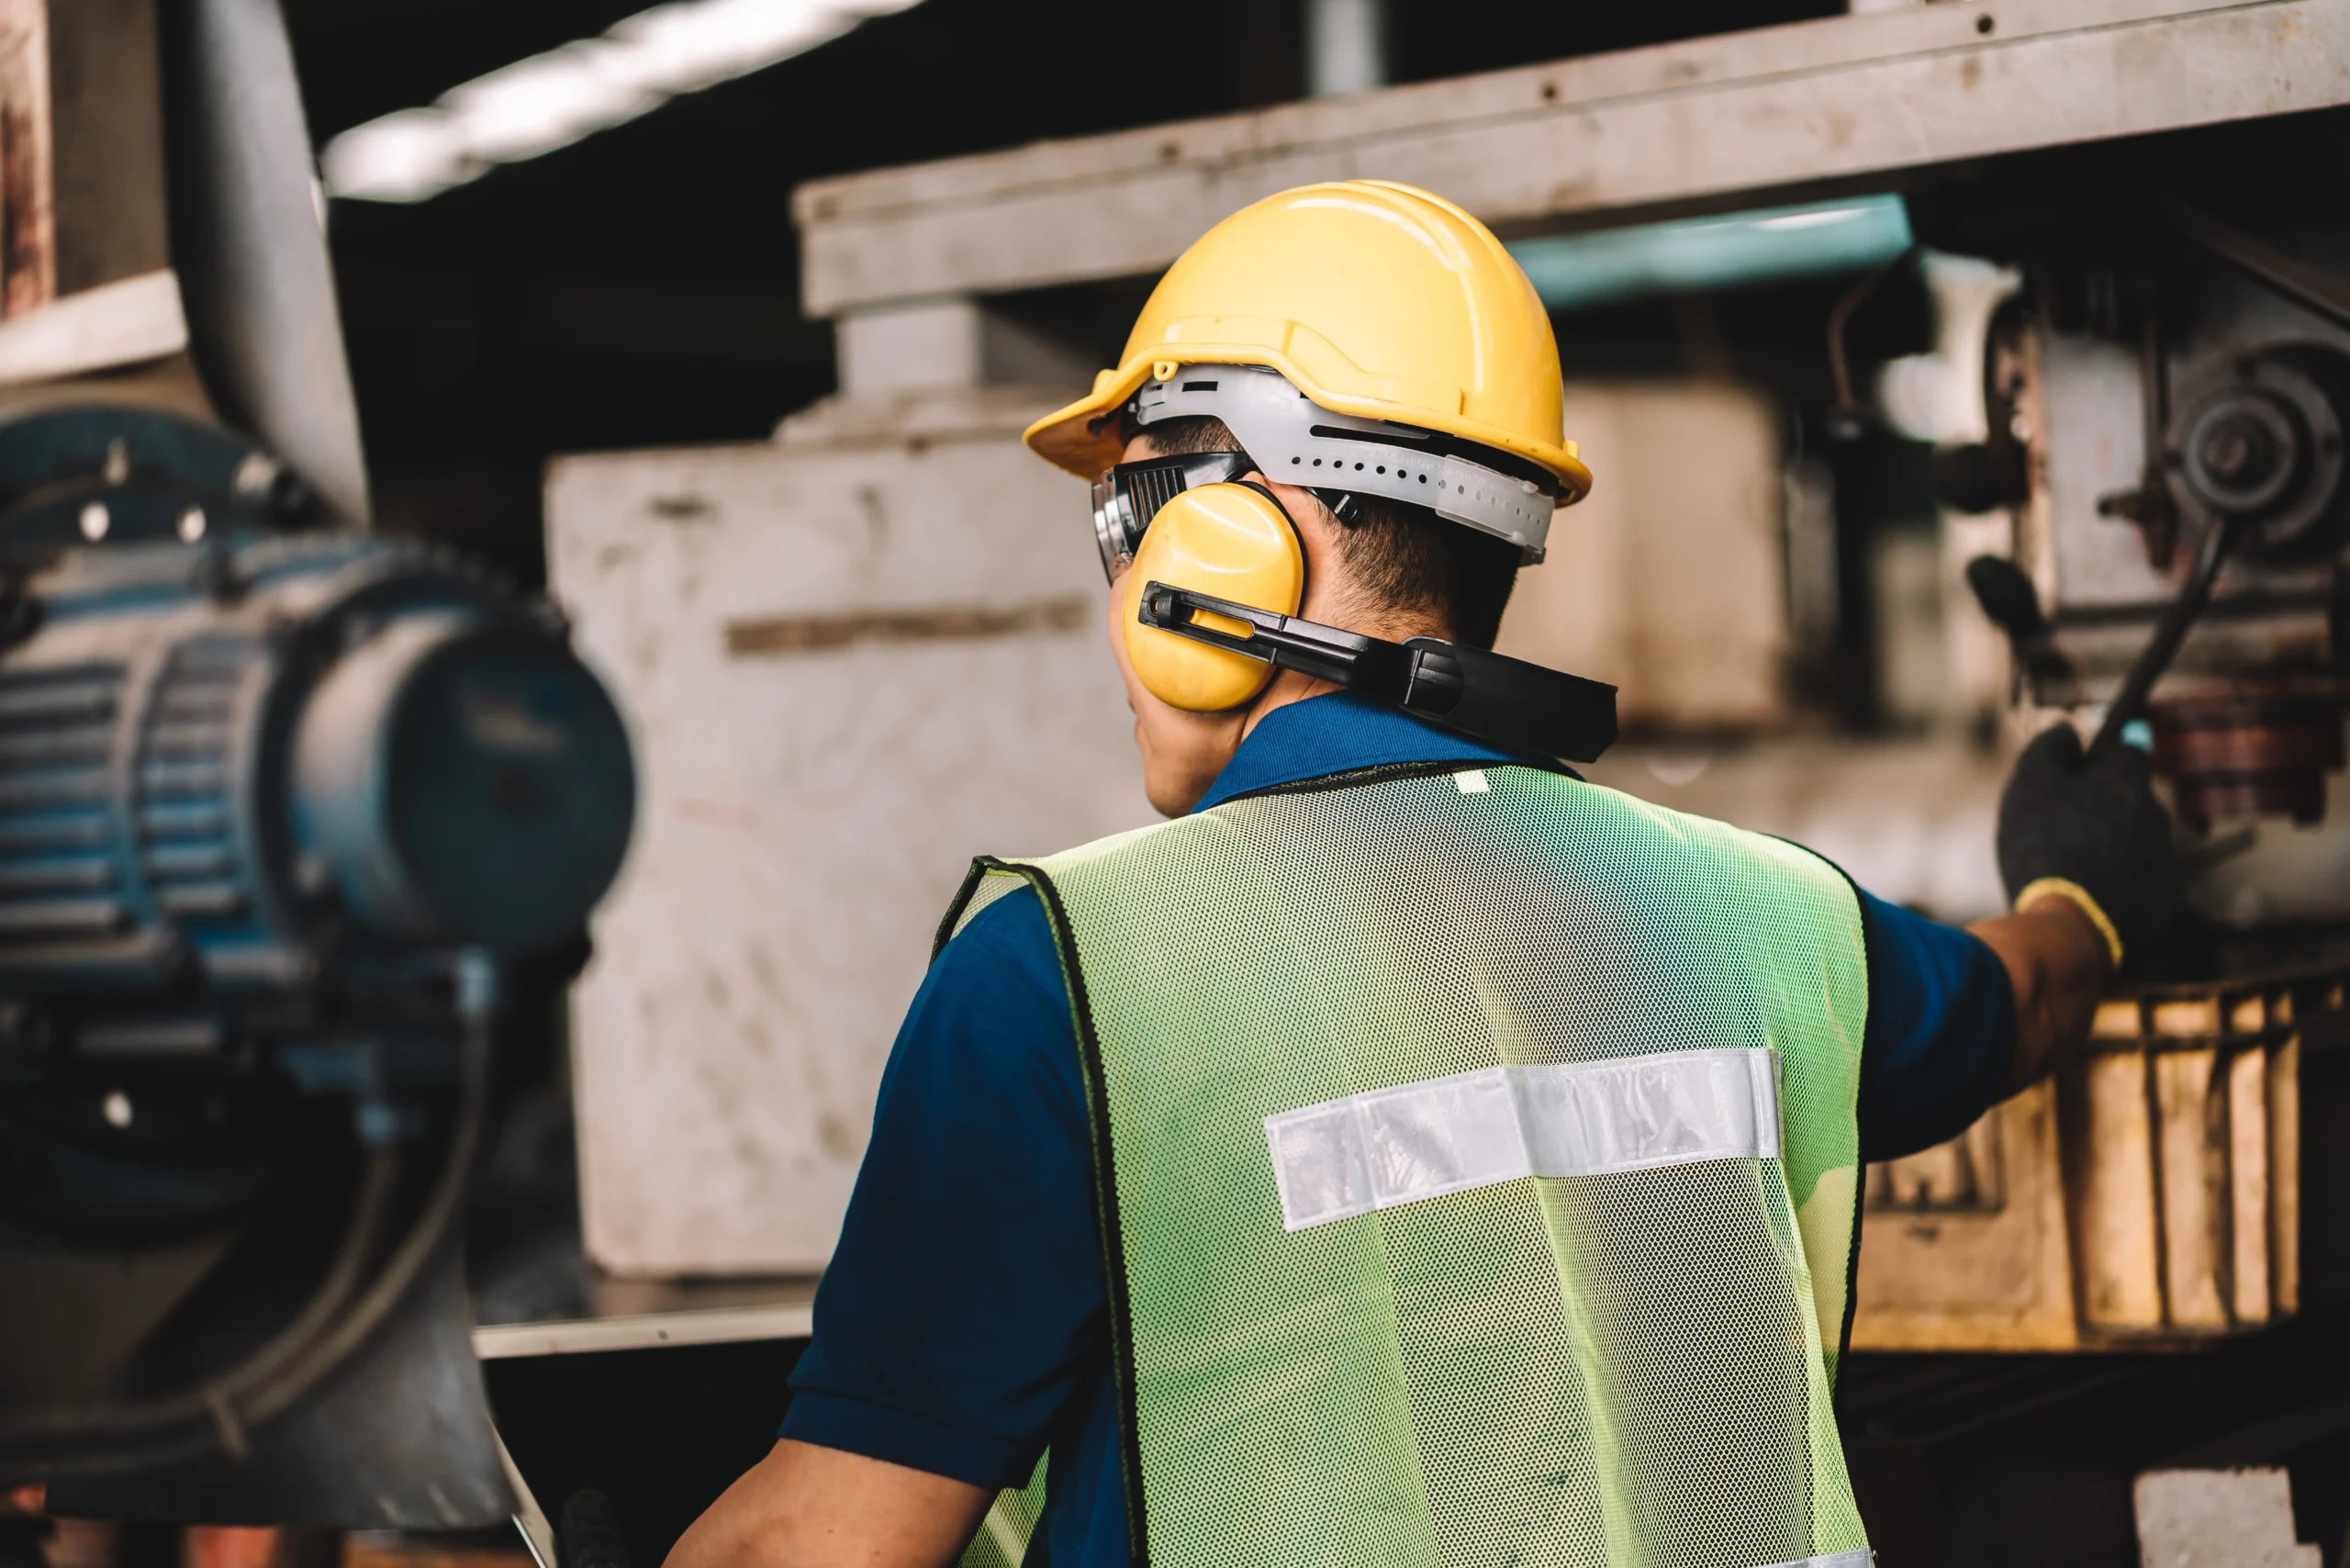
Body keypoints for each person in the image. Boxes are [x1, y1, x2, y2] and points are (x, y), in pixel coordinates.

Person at [666, 181, 2178, 1568]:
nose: (1114, 588)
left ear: (1217, 542)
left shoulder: (1056, 981)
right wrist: (2085, 888)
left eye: (1122, 517)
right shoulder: (1762, 919)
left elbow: (825, 1548)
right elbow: (2018, 999)